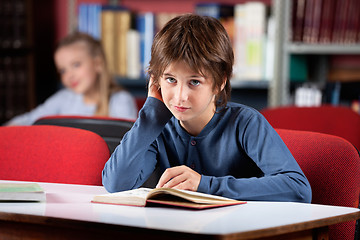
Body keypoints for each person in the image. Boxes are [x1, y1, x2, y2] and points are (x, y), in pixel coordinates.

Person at [102, 14, 312, 202]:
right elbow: (117, 184)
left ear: (220, 82)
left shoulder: (246, 123)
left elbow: (298, 189)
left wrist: (204, 185)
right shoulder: (156, 126)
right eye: (171, 80)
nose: (180, 96)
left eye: (194, 82)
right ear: (155, 80)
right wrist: (150, 116)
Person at [5, 32, 138, 126]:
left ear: (98, 64)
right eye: (62, 70)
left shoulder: (120, 100)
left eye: (76, 65)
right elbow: (29, 120)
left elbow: (130, 145)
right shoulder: (63, 98)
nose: (69, 76)